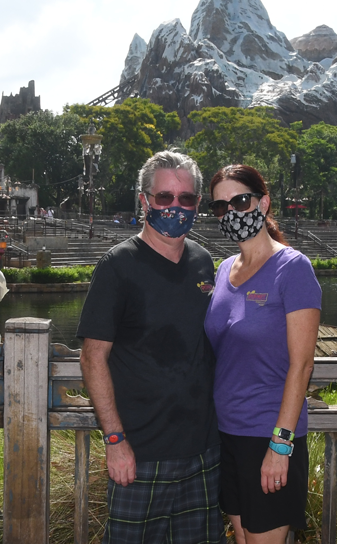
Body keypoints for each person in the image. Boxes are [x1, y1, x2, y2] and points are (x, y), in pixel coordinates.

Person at [77, 151, 223, 544]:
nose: (176, 206)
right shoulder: (117, 266)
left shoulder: (203, 262)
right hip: (139, 455)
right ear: (145, 201)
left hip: (203, 452)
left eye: (186, 198)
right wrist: (115, 441)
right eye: (164, 197)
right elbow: (92, 359)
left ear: (197, 203)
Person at [203, 165, 321, 543]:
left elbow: (302, 365)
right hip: (227, 433)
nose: (231, 212)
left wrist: (280, 444)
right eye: (220, 206)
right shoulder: (224, 270)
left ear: (263, 203)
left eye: (240, 201)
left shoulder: (293, 268)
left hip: (268, 436)